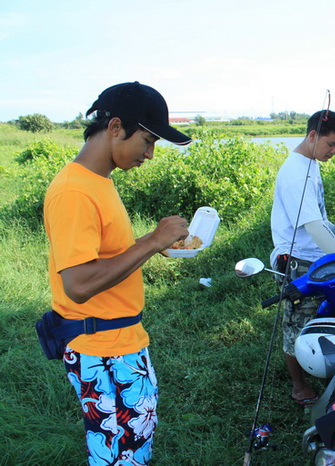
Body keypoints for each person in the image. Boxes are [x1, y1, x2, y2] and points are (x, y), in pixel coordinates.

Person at [43, 82, 192, 464]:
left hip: (120, 340)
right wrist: (150, 243)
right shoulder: (74, 192)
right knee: (117, 455)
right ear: (115, 127)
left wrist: (152, 241)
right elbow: (77, 284)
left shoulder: (98, 181)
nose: (151, 154)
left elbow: (102, 257)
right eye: (147, 140)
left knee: (134, 447)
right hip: (101, 349)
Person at [270, 110, 335, 405]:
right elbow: (312, 227)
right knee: (297, 325)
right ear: (313, 136)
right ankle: (299, 387)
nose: (334, 151)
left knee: (325, 318)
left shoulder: (310, 164)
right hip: (299, 261)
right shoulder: (295, 174)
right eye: (331, 144)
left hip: (315, 256)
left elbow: (319, 219)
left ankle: (327, 372)